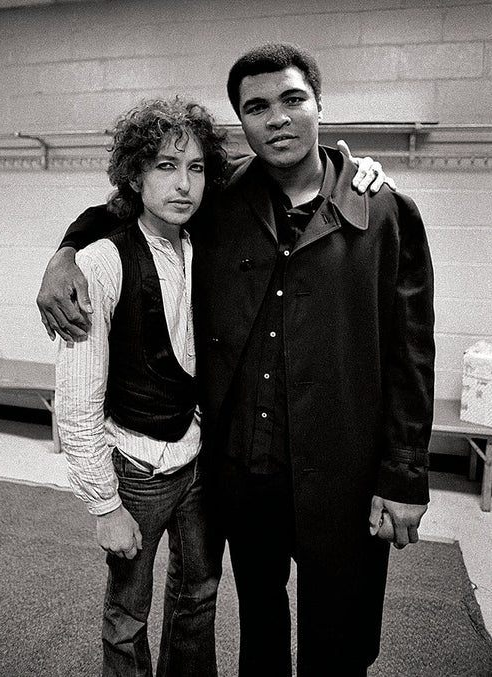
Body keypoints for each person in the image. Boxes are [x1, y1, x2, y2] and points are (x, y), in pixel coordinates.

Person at [38, 43, 434, 677]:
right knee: (260, 627)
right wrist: (64, 254)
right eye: (256, 107)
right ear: (242, 123)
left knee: (343, 635)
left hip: (344, 470)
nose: (276, 117)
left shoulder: (384, 211)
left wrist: (405, 476)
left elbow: (412, 354)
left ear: (319, 105)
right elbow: (128, 205)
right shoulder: (221, 202)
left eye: (292, 99)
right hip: (247, 472)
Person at [54, 98, 227, 677]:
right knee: (127, 618)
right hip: (134, 469)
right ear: (135, 174)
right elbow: (76, 405)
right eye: (165, 166)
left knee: (199, 597)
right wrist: (104, 505)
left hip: (199, 460)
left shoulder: (206, 245)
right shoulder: (101, 263)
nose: (184, 184)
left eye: (196, 168)